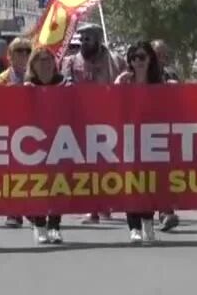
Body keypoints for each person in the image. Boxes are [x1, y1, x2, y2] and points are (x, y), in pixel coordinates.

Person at [62, 24, 123, 224]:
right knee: (86, 166)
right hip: (81, 120)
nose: (84, 42)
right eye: (82, 38)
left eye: (88, 38)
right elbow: (63, 84)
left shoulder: (114, 61)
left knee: (106, 166)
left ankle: (105, 205)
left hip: (108, 119)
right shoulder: (71, 61)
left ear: (98, 39)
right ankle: (91, 207)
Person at [116, 41, 168, 244]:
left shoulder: (158, 82)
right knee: (132, 182)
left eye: (142, 57)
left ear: (150, 60)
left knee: (150, 181)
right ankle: (134, 227)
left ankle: (148, 220)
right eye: (134, 57)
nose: (138, 61)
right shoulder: (123, 81)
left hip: (152, 136)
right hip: (128, 136)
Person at [26, 46, 67, 244]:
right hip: (34, 143)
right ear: (33, 65)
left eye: (49, 60)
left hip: (60, 140)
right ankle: (39, 223)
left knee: (57, 184)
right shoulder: (27, 88)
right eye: (41, 60)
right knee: (38, 184)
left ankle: (54, 226)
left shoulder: (65, 85)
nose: (46, 64)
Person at [0, 37, 32, 228]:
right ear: (10, 56)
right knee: (11, 173)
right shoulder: (3, 78)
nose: (24, 55)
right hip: (10, 129)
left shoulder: (34, 75)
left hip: (33, 130)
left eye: (27, 51)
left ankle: (32, 209)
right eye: (19, 51)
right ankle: (13, 212)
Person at [150, 39, 181, 231]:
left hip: (166, 129)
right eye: (156, 53)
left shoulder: (171, 74)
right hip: (141, 132)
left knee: (164, 174)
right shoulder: (138, 75)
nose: (160, 58)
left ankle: (165, 212)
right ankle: (144, 215)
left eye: (163, 54)